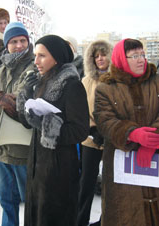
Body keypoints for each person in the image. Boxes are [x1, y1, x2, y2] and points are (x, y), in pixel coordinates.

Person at [16, 35, 89, 226]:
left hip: (59, 170)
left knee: (53, 217)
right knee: (36, 215)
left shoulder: (72, 86)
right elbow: (27, 122)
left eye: (42, 56)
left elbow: (80, 130)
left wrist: (46, 125)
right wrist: (25, 94)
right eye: (35, 56)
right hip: (37, 165)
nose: (36, 61)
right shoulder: (40, 82)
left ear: (56, 57)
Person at [93, 38, 159, 226]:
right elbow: (105, 121)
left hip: (155, 160)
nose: (141, 60)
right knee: (127, 215)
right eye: (134, 56)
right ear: (122, 59)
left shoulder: (156, 82)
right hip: (122, 168)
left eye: (142, 55)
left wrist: (153, 141)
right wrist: (131, 133)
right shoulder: (105, 89)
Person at [0, 22, 35, 226]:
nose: (19, 45)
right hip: (0, 145)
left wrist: (1, 100)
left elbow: (20, 98)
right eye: (14, 41)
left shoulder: (32, 65)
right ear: (7, 45)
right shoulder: (3, 67)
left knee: (30, 199)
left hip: (22, 147)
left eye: (23, 40)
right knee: (6, 200)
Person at [77, 40, 112, 226]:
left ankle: (104, 221)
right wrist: (92, 129)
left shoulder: (117, 80)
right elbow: (81, 110)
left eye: (103, 54)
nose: (100, 59)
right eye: (96, 56)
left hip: (112, 140)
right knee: (86, 183)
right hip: (90, 139)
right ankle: (80, 220)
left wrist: (108, 132)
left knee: (110, 184)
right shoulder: (86, 81)